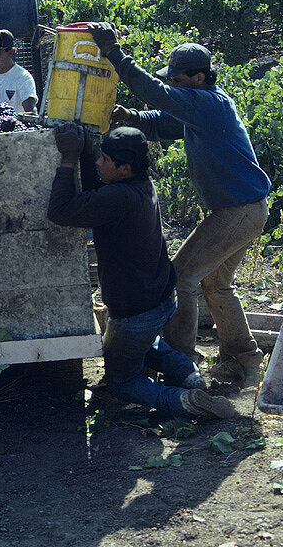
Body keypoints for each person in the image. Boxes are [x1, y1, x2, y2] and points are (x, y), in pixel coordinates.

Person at [89, 24, 271, 383]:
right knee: (216, 285)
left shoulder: (209, 103)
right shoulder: (201, 107)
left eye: (177, 78)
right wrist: (133, 118)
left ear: (199, 77)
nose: (172, 84)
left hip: (239, 211)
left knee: (180, 277)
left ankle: (181, 361)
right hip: (246, 209)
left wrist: (114, 54)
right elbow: (165, 122)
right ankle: (244, 359)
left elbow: (156, 95)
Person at [47, 124, 235, 420]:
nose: (98, 163)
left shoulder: (118, 198)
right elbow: (97, 193)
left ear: (124, 169)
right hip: (160, 300)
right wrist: (85, 152)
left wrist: (69, 158)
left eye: (105, 160)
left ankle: (184, 401)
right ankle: (191, 377)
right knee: (148, 345)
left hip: (135, 312)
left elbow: (60, 212)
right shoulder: (140, 185)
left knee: (121, 382)